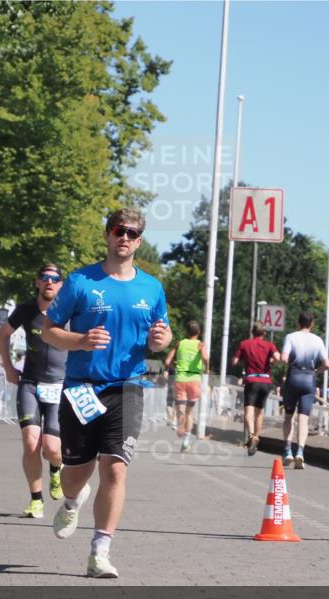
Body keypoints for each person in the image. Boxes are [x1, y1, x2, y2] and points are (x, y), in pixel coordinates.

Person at [41, 208, 171, 578]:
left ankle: (99, 551)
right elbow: (49, 330)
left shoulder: (152, 288)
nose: (124, 237)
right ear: (107, 235)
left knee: (114, 467)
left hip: (128, 387)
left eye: (132, 233)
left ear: (139, 241)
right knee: (76, 473)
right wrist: (81, 340)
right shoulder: (81, 281)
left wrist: (161, 340)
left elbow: (162, 335)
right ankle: (71, 501)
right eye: (118, 230)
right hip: (81, 387)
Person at [0, 264, 68, 519]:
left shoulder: (69, 311)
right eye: (44, 277)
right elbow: (3, 334)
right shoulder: (26, 310)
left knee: (52, 449)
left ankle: (56, 469)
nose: (49, 282)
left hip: (59, 386)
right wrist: (8, 367)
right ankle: (36, 499)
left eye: (55, 278)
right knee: (30, 443)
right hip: (30, 384)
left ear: (60, 284)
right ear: (37, 282)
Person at [280, 311, 329, 469]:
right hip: (309, 379)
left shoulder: (290, 337)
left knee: (289, 416)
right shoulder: (318, 340)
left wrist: (290, 363)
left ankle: (288, 450)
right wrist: (316, 372)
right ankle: (300, 452)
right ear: (312, 324)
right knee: (304, 418)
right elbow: (327, 364)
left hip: (293, 377)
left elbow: (283, 358)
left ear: (298, 322)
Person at [232, 321, 281, 456]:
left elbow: (234, 361)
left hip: (251, 380)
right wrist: (271, 361)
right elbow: (278, 357)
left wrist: (244, 361)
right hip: (265, 381)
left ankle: (251, 436)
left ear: (252, 332)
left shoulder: (244, 344)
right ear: (264, 333)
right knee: (259, 412)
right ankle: (256, 437)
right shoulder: (269, 345)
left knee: (248, 411)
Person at [163, 320, 208, 453]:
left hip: (180, 378)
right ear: (199, 332)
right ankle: (186, 442)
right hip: (194, 379)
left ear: (186, 332)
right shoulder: (200, 344)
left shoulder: (180, 343)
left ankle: (179, 424)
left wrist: (171, 367)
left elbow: (167, 361)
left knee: (180, 409)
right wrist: (207, 369)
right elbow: (205, 358)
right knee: (190, 412)